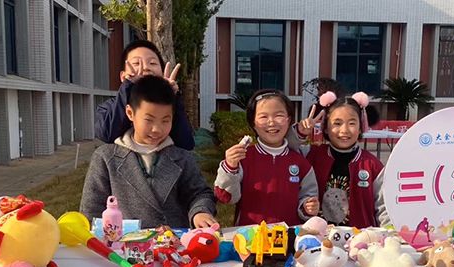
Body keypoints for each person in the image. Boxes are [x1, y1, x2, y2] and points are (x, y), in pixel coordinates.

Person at [80, 75, 216, 229]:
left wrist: (200, 212)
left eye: (165, 120)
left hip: (173, 241)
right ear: (130, 113)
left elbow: (199, 193)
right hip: (122, 242)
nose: (157, 129)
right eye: (149, 120)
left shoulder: (182, 157)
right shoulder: (106, 158)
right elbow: (91, 211)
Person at [214, 89, 319, 226]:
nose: (271, 122)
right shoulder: (243, 158)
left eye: (279, 115)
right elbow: (226, 197)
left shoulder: (300, 162)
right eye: (263, 117)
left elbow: (308, 196)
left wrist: (307, 207)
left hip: (289, 234)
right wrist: (230, 167)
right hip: (250, 234)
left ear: (288, 120)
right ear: (253, 123)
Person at [296, 91, 388, 228]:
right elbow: (282, 148)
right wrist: (299, 133)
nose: (344, 130)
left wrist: (390, 233)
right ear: (325, 127)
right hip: (319, 237)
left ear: (361, 127)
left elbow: (384, 208)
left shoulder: (372, 165)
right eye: (337, 123)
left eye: (352, 123)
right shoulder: (311, 155)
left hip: (360, 238)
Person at [94, 39, 195, 150]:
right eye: (136, 63)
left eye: (152, 63)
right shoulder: (108, 107)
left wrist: (172, 96)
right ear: (123, 76)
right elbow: (107, 135)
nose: (146, 68)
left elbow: (186, 144)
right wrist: (128, 86)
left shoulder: (171, 105)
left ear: (162, 73)